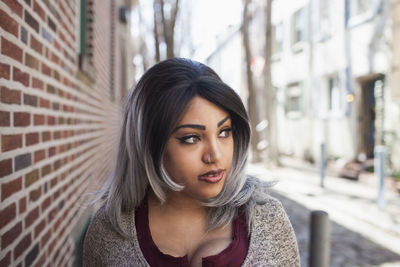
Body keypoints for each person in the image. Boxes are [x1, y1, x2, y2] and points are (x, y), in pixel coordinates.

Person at [83, 58, 300, 266]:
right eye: (191, 138)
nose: (215, 155)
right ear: (148, 145)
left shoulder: (267, 218)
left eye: (224, 132)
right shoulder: (109, 233)